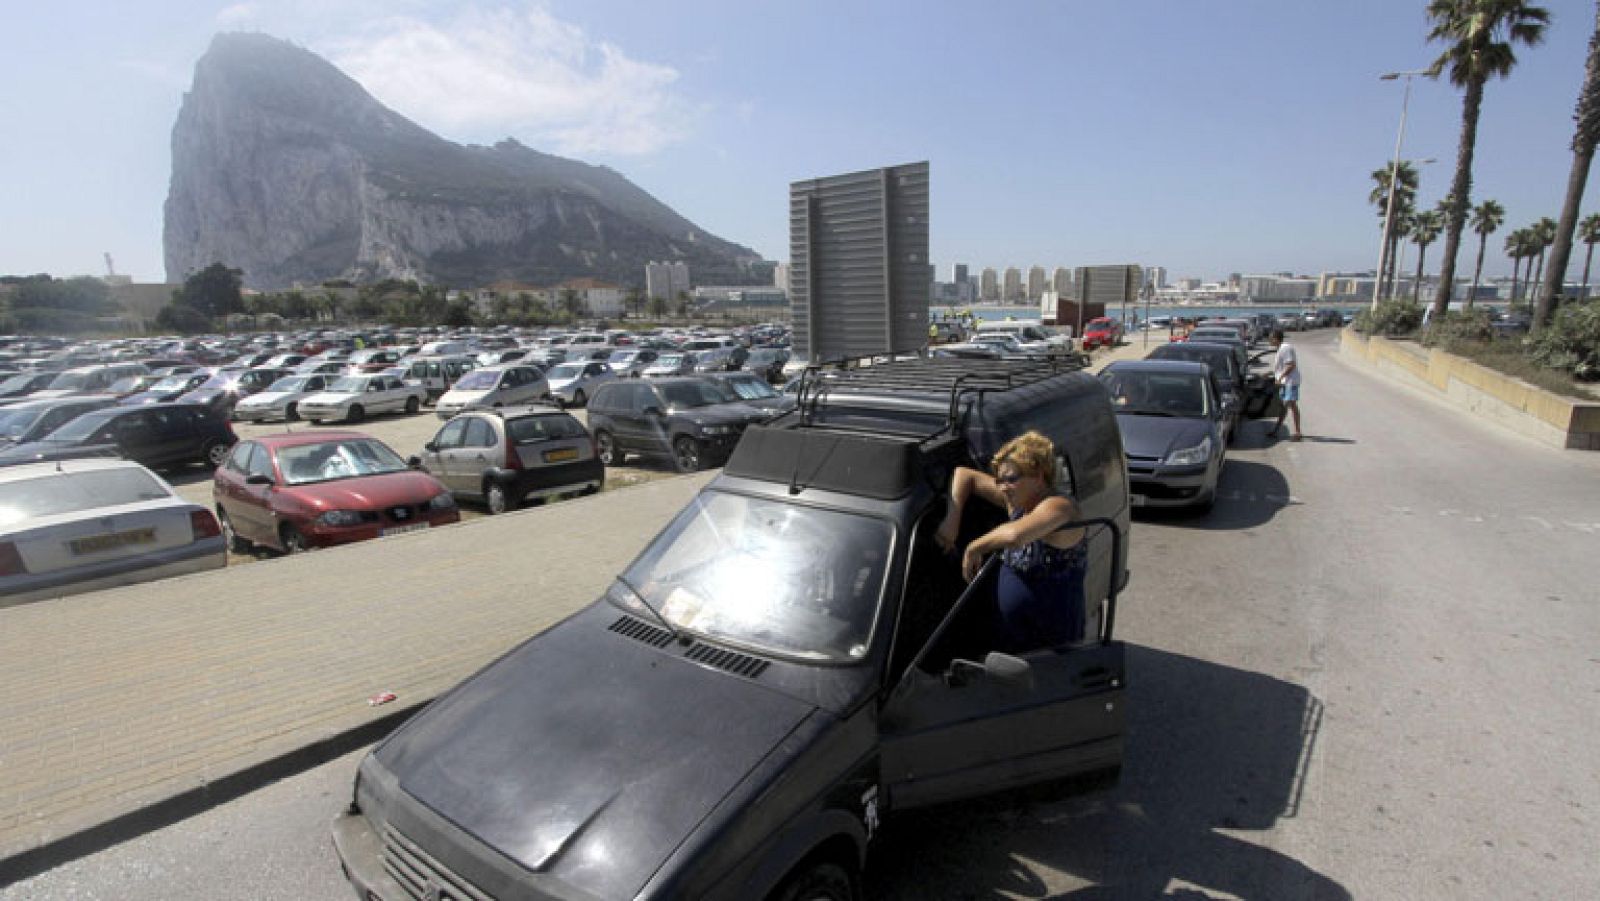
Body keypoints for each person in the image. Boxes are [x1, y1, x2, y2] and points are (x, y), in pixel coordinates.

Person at [934, 432, 1089, 652]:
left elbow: (1014, 536)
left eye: (1012, 479)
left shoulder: (1060, 506)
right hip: (1010, 634)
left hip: (1051, 641)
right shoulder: (1018, 502)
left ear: (1039, 476)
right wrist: (952, 519)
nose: (1003, 487)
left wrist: (973, 548)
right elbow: (964, 475)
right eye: (999, 479)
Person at [1270, 329, 1302, 441]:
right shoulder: (1281, 349)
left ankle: (1297, 433)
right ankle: (1277, 430)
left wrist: (1281, 377)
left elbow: (1290, 365)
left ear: (1276, 338)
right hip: (1286, 382)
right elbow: (1282, 367)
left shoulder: (1285, 348)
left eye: (1271, 338)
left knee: (1289, 405)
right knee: (1286, 406)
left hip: (1290, 382)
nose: (1270, 341)